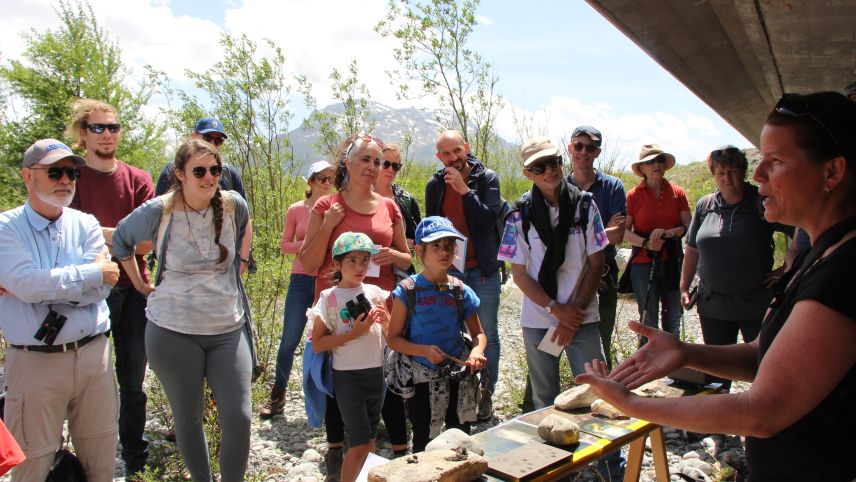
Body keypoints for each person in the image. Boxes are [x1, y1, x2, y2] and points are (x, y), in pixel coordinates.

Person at [578, 92, 856, 481]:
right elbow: (765, 357)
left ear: (831, 173)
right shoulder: (826, 251)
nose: (757, 176)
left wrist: (633, 406)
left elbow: (762, 412)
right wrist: (687, 352)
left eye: (774, 162)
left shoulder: (845, 270)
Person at [112, 139, 254, 482]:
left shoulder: (233, 204)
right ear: (180, 174)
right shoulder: (160, 210)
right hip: (173, 331)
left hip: (227, 329)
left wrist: (244, 260)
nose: (209, 178)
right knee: (188, 418)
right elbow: (121, 240)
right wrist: (142, 285)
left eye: (215, 170)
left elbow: (246, 227)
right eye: (200, 171)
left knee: (239, 416)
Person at [0, 139, 119, 481]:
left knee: (101, 461)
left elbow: (104, 286)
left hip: (94, 355)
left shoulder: (86, 224)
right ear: (27, 176)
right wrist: (90, 273)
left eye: (70, 172)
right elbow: (28, 284)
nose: (65, 180)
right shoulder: (6, 229)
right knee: (33, 463)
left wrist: (40, 286)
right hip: (35, 361)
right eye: (54, 172)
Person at [298, 133, 411, 479]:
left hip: (380, 300)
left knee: (382, 371)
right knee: (338, 375)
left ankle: (387, 453)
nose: (373, 167)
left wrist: (392, 255)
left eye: (377, 161)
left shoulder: (390, 206)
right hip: (337, 303)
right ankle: (337, 451)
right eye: (365, 159)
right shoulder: (327, 206)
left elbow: (407, 259)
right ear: (347, 162)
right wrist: (330, 224)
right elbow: (307, 260)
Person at [65, 98, 154, 477]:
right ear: (83, 133)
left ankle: (136, 456)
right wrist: (122, 236)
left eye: (113, 127)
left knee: (132, 380)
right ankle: (77, 460)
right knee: (84, 381)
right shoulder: (68, 176)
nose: (107, 135)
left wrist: (94, 231)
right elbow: (65, 234)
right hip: (86, 290)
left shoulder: (138, 179)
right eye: (98, 128)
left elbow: (148, 240)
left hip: (135, 290)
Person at [499, 136, 607, 407]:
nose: (549, 170)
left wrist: (571, 315)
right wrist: (554, 309)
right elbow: (520, 274)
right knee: (545, 397)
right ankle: (549, 449)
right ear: (527, 173)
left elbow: (596, 263)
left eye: (553, 162)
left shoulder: (586, 206)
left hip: (582, 316)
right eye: (539, 166)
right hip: (539, 319)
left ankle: (607, 451)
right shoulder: (518, 215)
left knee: (598, 391)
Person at [679, 146, 790, 390]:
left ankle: (765, 421)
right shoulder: (705, 205)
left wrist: (787, 268)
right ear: (714, 175)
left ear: (743, 172)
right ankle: (716, 425)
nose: (727, 179)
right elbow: (692, 249)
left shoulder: (760, 201)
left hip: (755, 302)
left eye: (733, 172)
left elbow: (800, 229)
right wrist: (684, 286)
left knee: (764, 367)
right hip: (713, 304)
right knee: (717, 370)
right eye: (721, 173)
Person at [387, 216, 487, 453]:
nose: (444, 252)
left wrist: (477, 351)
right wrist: (423, 351)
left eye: (449, 246)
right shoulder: (407, 291)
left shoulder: (460, 291)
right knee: (423, 434)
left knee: (460, 432)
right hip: (421, 378)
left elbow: (478, 334)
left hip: (458, 374)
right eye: (436, 246)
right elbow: (393, 339)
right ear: (419, 250)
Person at [424, 129, 502, 420]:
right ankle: (456, 393)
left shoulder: (486, 179)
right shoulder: (435, 184)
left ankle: (485, 394)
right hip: (450, 271)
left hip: (483, 270)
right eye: (446, 154)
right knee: (450, 332)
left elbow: (487, 221)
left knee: (487, 334)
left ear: (466, 148)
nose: (453, 158)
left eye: (457, 151)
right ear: (439, 157)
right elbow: (431, 228)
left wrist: (465, 191)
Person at [309, 232, 391, 482]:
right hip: (348, 377)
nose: (359, 267)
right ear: (338, 263)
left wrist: (386, 322)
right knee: (357, 444)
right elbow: (318, 344)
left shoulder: (376, 292)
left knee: (370, 440)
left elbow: (390, 338)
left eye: (364, 261)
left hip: (376, 373)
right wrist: (354, 333)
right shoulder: (329, 298)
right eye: (352, 261)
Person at [259, 160, 336, 419]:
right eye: (321, 178)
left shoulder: (337, 208)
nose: (326, 183)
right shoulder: (296, 210)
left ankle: (329, 401)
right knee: (290, 340)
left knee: (327, 340)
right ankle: (277, 395)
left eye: (330, 178)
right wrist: (313, 240)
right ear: (311, 181)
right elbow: (284, 245)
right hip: (301, 279)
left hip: (328, 280)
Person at [566, 125, 626, 366]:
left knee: (602, 339)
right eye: (578, 145)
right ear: (570, 148)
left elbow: (619, 234)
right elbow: (551, 237)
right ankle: (539, 401)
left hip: (603, 273)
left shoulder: (613, 186)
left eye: (590, 147)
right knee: (552, 339)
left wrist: (572, 235)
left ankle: (604, 396)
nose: (583, 151)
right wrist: (601, 233)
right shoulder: (556, 186)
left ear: (598, 152)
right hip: (564, 272)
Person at [624, 144, 691, 340]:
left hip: (672, 261)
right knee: (648, 320)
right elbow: (624, 232)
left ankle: (674, 364)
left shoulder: (677, 193)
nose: (656, 165)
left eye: (660, 160)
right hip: (643, 264)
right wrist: (645, 243)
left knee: (673, 318)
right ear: (642, 168)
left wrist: (669, 233)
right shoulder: (633, 196)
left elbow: (688, 226)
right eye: (650, 162)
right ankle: (648, 367)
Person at [154, 116, 246, 198]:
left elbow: (244, 217)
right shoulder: (171, 171)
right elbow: (159, 213)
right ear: (193, 137)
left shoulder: (229, 174)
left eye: (218, 141)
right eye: (207, 138)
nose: (212, 144)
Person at [376, 143, 422, 247]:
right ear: (376, 163)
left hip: (401, 262)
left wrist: (413, 243)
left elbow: (421, 232)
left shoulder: (407, 199)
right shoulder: (363, 195)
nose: (391, 170)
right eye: (386, 164)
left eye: (396, 166)